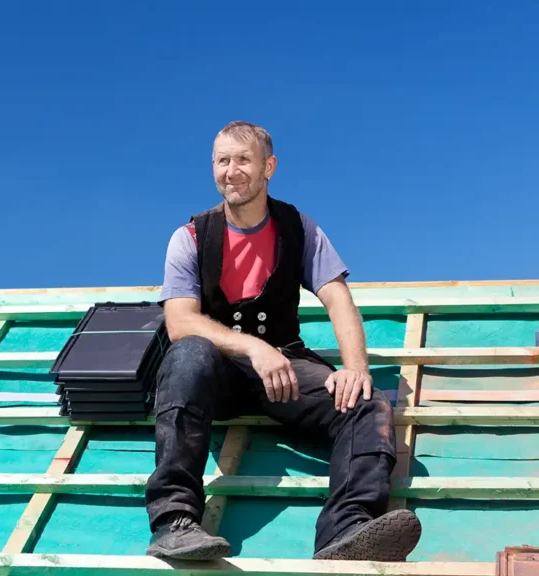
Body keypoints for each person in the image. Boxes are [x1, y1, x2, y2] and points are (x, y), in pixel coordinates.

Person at [145, 121, 422, 562]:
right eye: (221, 161)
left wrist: (355, 368)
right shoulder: (191, 237)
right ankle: (174, 521)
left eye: (242, 160)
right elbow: (180, 321)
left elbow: (338, 298)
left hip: (284, 374)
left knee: (367, 404)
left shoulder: (298, 228)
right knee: (188, 354)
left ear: (268, 166)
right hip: (214, 375)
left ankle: (344, 533)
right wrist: (254, 347)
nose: (231, 171)